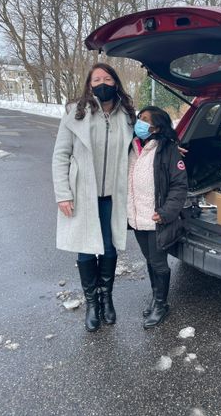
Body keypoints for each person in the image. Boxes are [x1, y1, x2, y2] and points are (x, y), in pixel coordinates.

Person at [52, 63, 135, 332]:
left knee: (109, 248)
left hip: (113, 194)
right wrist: (63, 194)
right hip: (82, 194)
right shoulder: (76, 114)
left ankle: (106, 299)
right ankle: (91, 304)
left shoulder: (127, 115)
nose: (101, 83)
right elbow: (60, 155)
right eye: (96, 79)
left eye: (107, 78)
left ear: (116, 83)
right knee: (86, 248)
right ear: (89, 85)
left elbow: (140, 148)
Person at [127, 106, 188, 329]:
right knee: (150, 260)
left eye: (144, 119)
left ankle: (161, 305)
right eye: (138, 118)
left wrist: (165, 214)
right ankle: (156, 298)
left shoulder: (168, 150)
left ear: (157, 127)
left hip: (156, 219)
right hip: (136, 217)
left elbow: (179, 186)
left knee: (159, 263)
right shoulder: (132, 146)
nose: (139, 123)